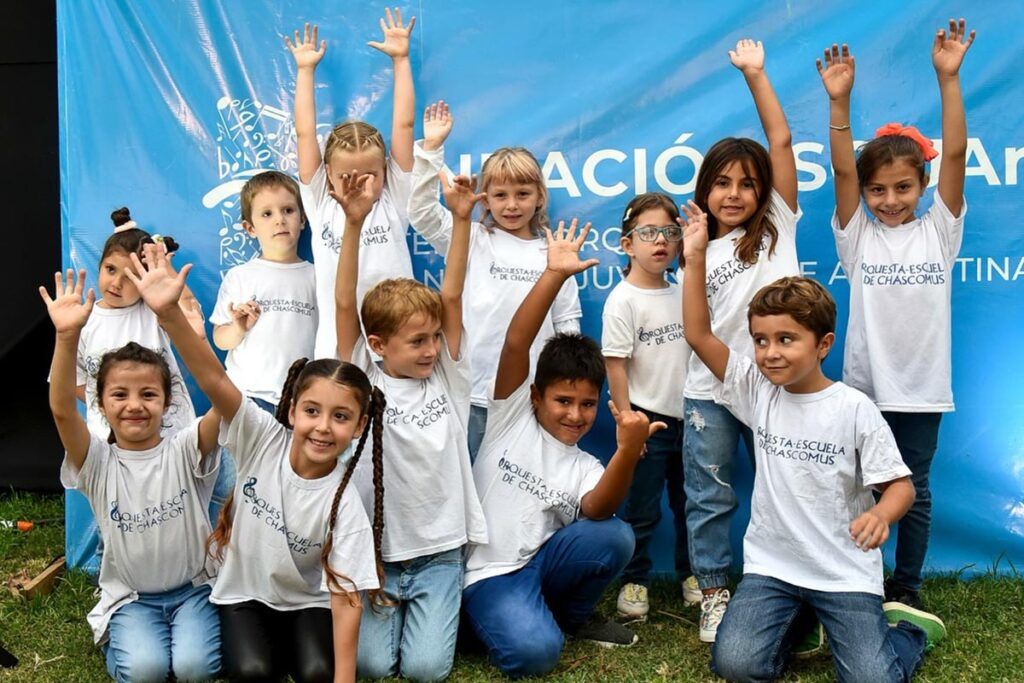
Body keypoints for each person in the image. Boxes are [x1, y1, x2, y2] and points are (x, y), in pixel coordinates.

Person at [679, 204, 947, 682]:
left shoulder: (853, 408)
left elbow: (902, 487)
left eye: (786, 339)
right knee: (736, 665)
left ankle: (906, 633)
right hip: (773, 569)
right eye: (760, 341)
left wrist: (881, 514)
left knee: (871, 679)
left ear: (823, 344)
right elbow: (699, 334)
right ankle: (799, 621)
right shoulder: (755, 390)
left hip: (844, 574)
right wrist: (695, 257)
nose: (770, 353)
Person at [128, 244, 383, 683]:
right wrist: (169, 313)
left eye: (340, 417)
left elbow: (345, 599)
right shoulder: (261, 436)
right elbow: (213, 377)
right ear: (290, 411)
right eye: (312, 411)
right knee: (253, 671)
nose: (323, 427)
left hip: (307, 602)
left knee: (319, 673)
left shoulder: (344, 499)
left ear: (359, 427)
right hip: (244, 595)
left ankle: (293, 650)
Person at [817, 19, 975, 609]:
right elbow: (840, 171)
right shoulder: (857, 237)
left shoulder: (940, 232)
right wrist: (840, 101)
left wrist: (948, 79)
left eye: (903, 188)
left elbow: (955, 151)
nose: (889, 200)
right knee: (859, 489)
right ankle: (852, 581)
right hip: (864, 388)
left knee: (917, 490)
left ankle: (905, 587)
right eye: (878, 190)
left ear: (923, 185)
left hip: (922, 392)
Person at [462, 219, 662, 678]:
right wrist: (553, 275)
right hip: (490, 575)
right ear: (536, 397)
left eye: (587, 404)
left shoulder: (584, 464)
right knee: (536, 655)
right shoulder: (510, 417)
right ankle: (493, 621)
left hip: (540, 568)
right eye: (563, 401)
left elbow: (598, 508)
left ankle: (562, 616)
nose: (575, 415)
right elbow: (516, 342)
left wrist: (626, 453)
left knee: (615, 534)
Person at [334, 169, 487, 680]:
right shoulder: (360, 375)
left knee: (424, 672)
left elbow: (453, 296)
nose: (431, 349)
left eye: (434, 338)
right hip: (376, 558)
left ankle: (431, 616)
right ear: (378, 345)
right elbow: (343, 302)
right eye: (417, 341)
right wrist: (353, 224)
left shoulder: (447, 375)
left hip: (439, 555)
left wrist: (461, 221)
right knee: (374, 667)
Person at [42, 268, 221, 682]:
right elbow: (63, 410)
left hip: (195, 591)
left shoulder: (184, 447)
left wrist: (187, 331)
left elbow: (224, 399)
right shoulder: (97, 461)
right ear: (101, 404)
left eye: (148, 394)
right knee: (145, 672)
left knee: (195, 668)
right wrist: (67, 338)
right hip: (132, 599)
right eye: (119, 394)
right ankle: (123, 640)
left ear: (167, 401)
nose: (134, 405)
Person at [680, 39, 802, 642]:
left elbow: (779, 141)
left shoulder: (778, 225)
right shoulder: (697, 249)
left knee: (789, 488)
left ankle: (792, 581)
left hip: (781, 384)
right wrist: (695, 254)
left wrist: (756, 73)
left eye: (746, 184)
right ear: (705, 189)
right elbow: (696, 327)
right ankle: (713, 590)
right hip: (711, 387)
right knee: (710, 498)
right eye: (721, 183)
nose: (734, 194)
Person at [407, 100, 582, 460]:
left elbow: (567, 328)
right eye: (500, 195)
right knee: (470, 486)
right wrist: (431, 149)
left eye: (523, 194)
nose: (512, 205)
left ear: (539, 198)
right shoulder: (471, 237)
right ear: (485, 199)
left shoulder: (554, 253)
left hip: (534, 397)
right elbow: (421, 213)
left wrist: (564, 390)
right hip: (472, 393)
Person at [287, 13, 417, 359]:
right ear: (328, 173)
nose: (358, 184)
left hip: (395, 349)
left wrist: (401, 60)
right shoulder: (320, 200)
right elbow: (303, 132)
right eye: (346, 176)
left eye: (369, 174)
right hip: (338, 349)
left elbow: (404, 126)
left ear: (387, 171)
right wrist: (305, 71)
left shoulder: (394, 198)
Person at [601, 192, 698, 620]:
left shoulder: (682, 292)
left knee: (691, 504)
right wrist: (628, 422)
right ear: (627, 244)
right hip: (647, 419)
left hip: (691, 418)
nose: (660, 241)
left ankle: (692, 575)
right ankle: (635, 582)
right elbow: (615, 364)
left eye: (669, 232)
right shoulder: (623, 300)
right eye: (648, 232)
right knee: (641, 509)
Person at [211, 170, 316, 415]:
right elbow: (220, 339)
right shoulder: (240, 276)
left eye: (288, 210)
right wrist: (238, 328)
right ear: (250, 228)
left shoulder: (317, 276)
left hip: (301, 401)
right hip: (246, 398)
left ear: (302, 219)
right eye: (267, 214)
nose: (279, 220)